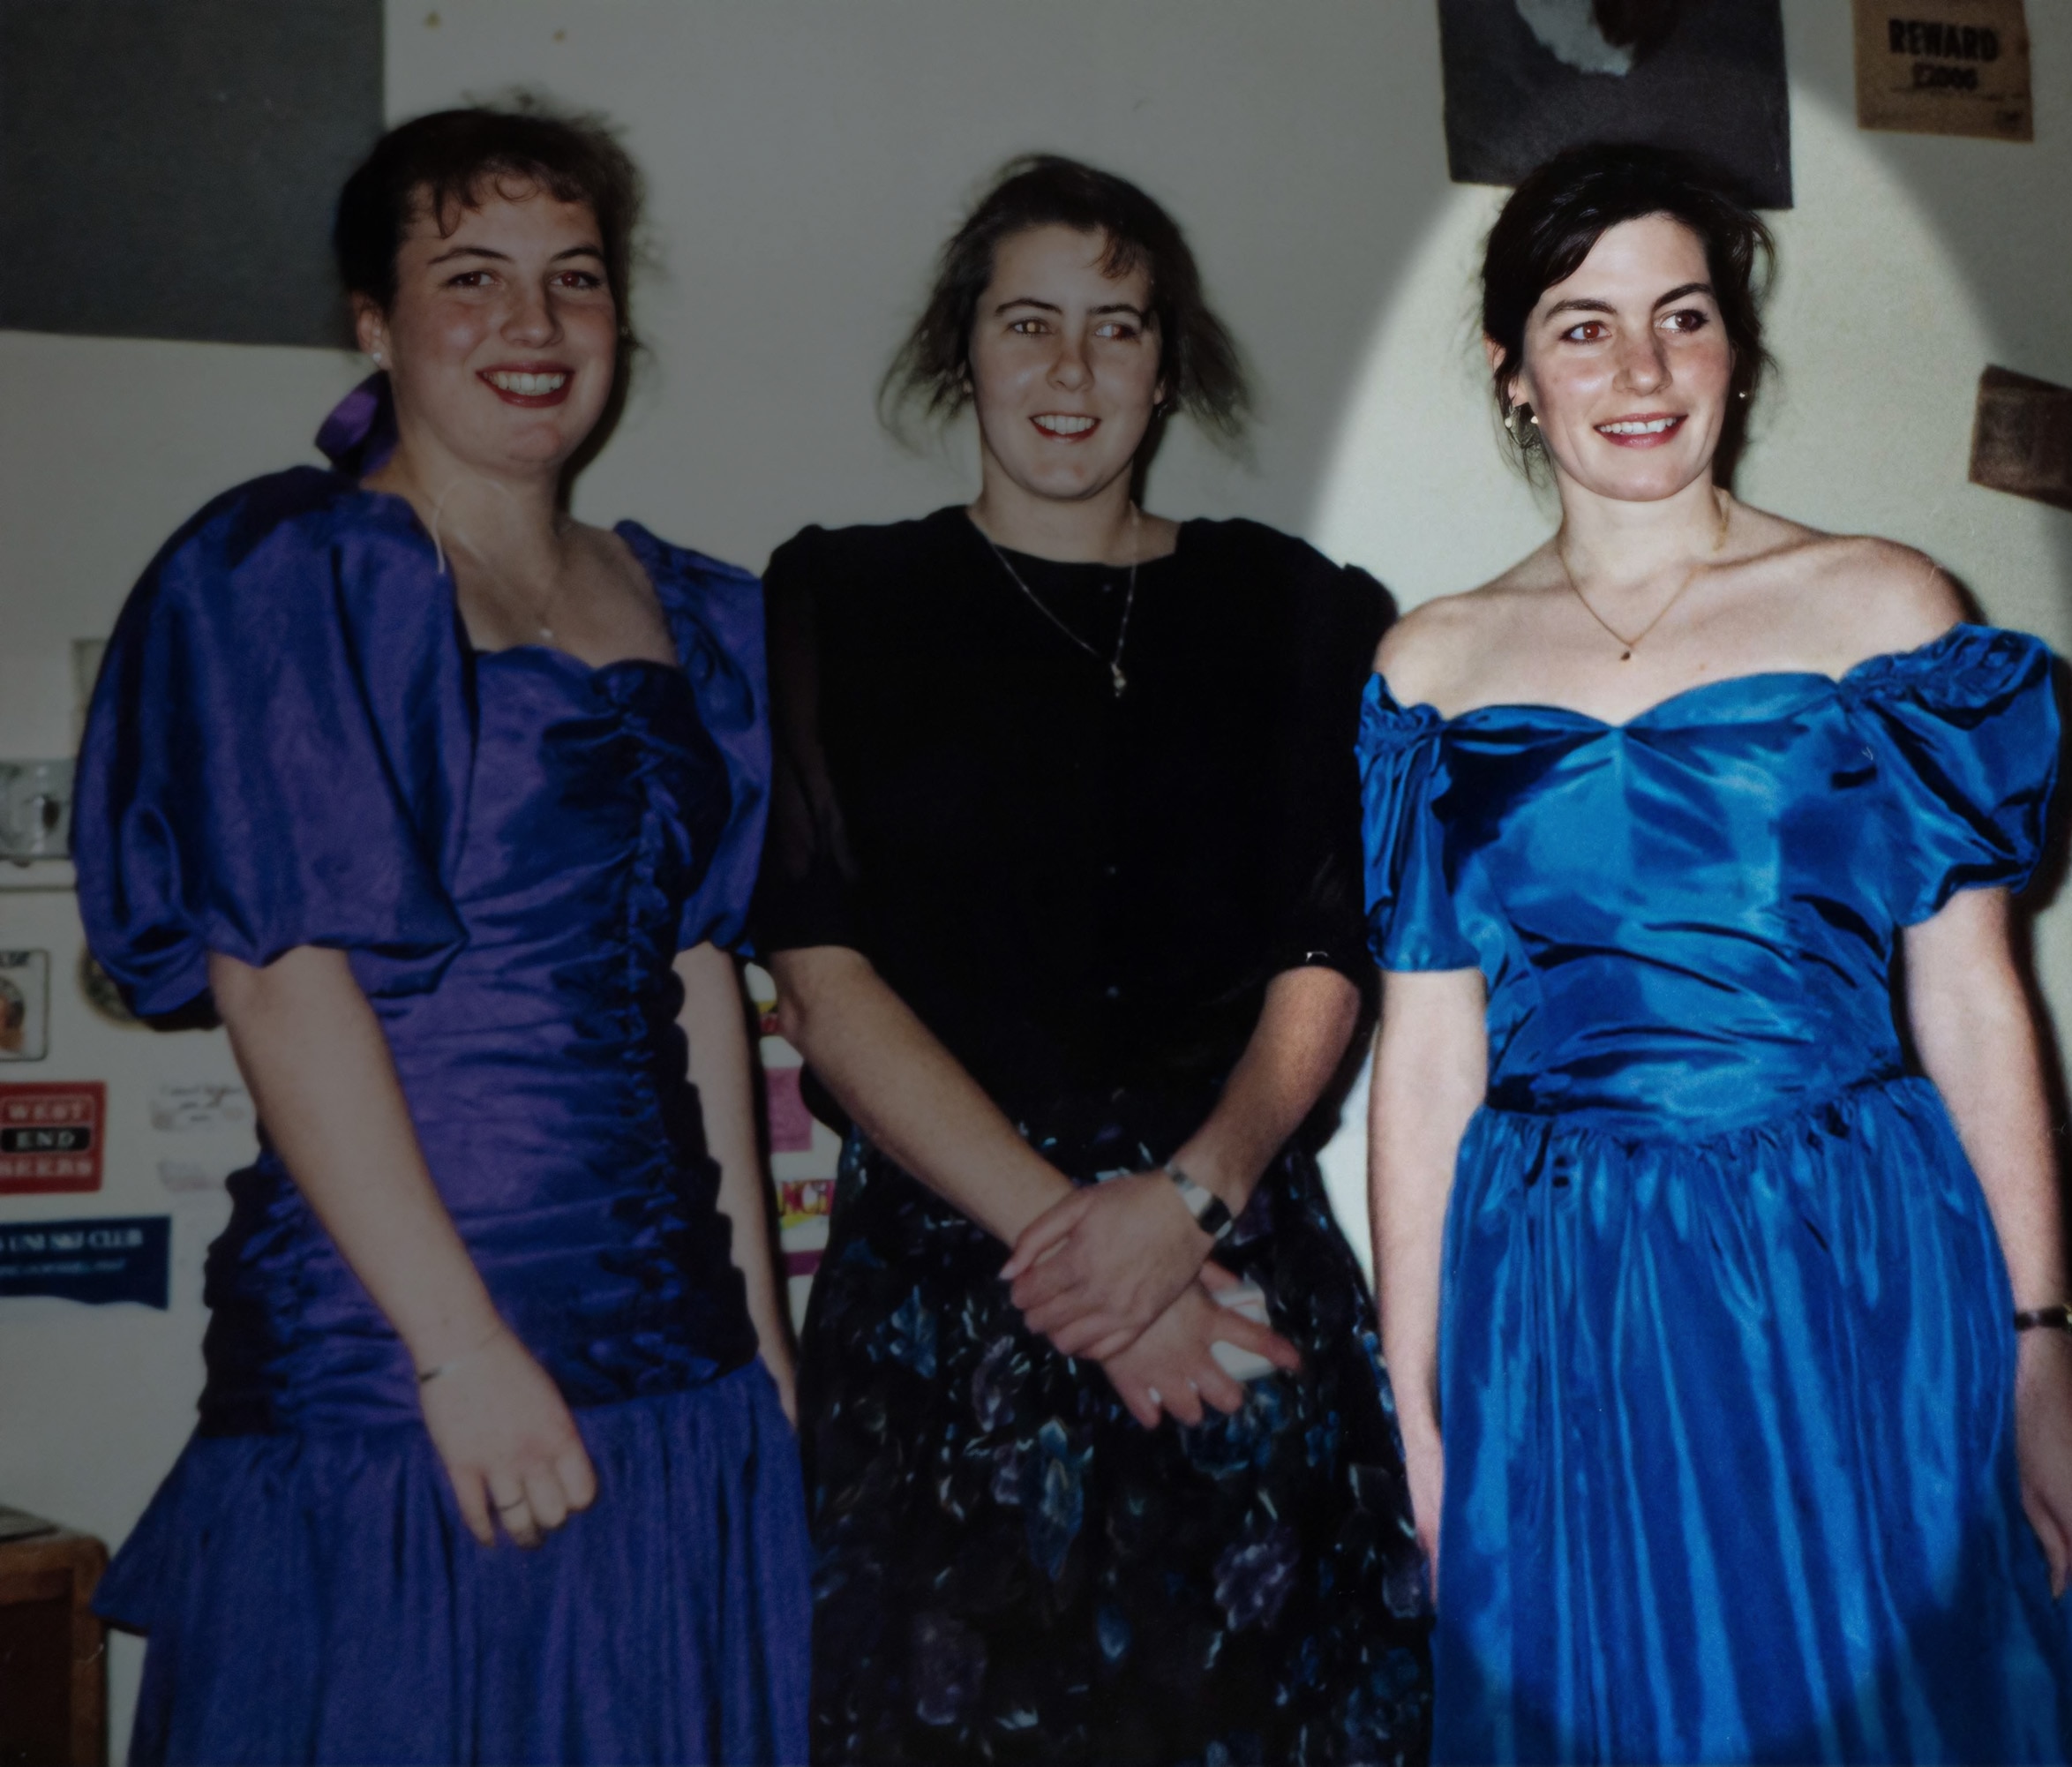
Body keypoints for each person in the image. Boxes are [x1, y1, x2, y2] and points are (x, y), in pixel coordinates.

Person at [1362, 141, 2072, 1764]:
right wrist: (1424, 1420)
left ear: (1736, 350)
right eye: (1583, 326)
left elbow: (1976, 1004)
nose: (1640, 370)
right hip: (1562, 1289)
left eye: (1683, 315)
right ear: (1513, 374)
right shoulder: (1429, 666)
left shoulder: (1889, 614)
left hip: (1845, 1256)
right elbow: (1426, 1065)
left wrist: (2044, 1356)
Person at [74, 106, 807, 1764]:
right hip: (398, 1363)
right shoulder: (290, 570)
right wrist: (462, 1351)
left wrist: (763, 1359)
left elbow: (700, 981)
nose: (533, 327)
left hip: (669, 1363)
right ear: (372, 321)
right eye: (470, 276)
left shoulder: (697, 609)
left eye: (576, 280)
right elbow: (280, 969)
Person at [755, 154, 1432, 1763]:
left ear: (1166, 365)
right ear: (962, 348)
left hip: (1235, 1267)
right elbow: (822, 969)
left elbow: (1327, 954)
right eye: (1029, 323)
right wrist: (1093, 1265)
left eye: (1115, 329)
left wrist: (1188, 1201)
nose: (1070, 372)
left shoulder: (1302, 608)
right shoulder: (840, 596)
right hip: (957, 1299)